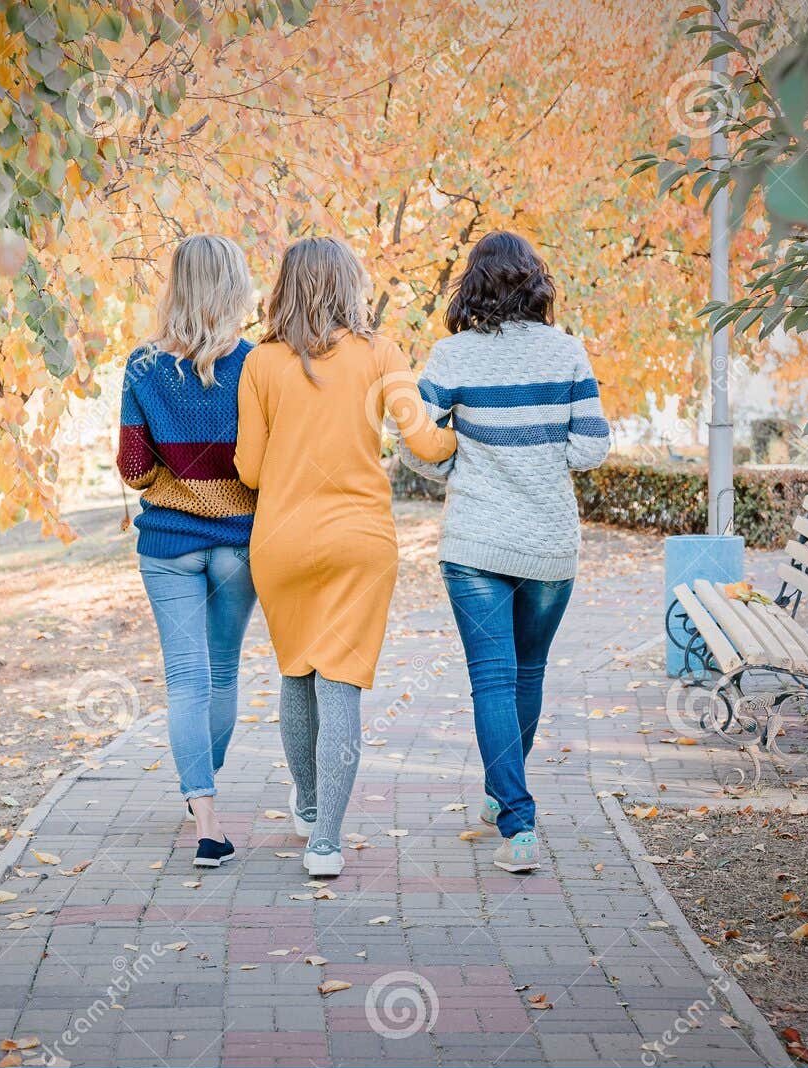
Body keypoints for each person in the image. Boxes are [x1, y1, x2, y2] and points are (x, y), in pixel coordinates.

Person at [235, 237, 457, 878]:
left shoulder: (261, 363)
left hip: (280, 543)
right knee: (342, 687)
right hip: (360, 542)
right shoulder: (381, 353)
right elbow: (426, 443)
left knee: (296, 674)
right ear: (347, 285)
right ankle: (325, 844)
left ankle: (306, 803)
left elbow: (248, 469)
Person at [400, 230, 610, 873]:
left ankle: (514, 819)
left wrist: (460, 465)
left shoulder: (449, 357)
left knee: (492, 679)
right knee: (527, 673)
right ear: (534, 284)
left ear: (475, 284)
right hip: (548, 542)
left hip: (475, 540)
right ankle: (509, 800)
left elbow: (415, 446)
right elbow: (592, 447)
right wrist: (545, 460)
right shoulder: (567, 352)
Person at [117, 235, 259, 869]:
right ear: (233, 287)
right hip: (238, 543)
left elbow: (132, 467)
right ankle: (204, 785)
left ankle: (205, 815)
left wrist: (168, 482)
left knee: (186, 682)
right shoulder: (255, 365)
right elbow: (262, 464)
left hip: (167, 543)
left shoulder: (142, 367)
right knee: (222, 676)